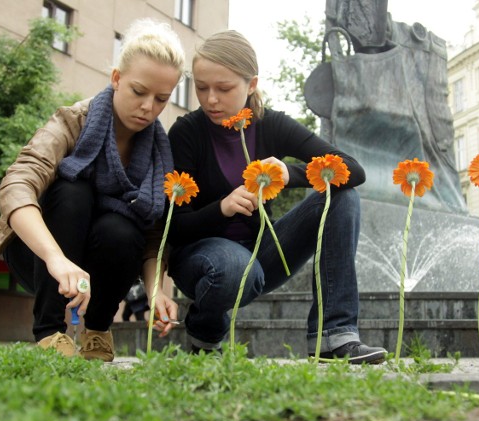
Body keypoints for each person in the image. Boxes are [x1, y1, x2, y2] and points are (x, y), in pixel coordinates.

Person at [165, 30, 387, 364]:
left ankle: (334, 336)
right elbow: (173, 228)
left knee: (342, 197)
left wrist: (291, 173)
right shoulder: (186, 133)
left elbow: (354, 170)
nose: (210, 99)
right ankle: (205, 333)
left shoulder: (272, 125)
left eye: (223, 88)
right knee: (236, 269)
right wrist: (221, 209)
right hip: (200, 258)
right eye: (201, 87)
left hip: (261, 254)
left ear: (251, 84)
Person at [0, 18, 183, 362]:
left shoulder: (159, 154)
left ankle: (97, 331)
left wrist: (155, 292)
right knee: (73, 190)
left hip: (103, 265)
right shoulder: (72, 121)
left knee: (123, 227)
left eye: (161, 99)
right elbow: (16, 185)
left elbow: (153, 232)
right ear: (116, 78)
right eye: (139, 92)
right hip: (41, 258)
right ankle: (49, 332)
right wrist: (56, 259)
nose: (148, 107)